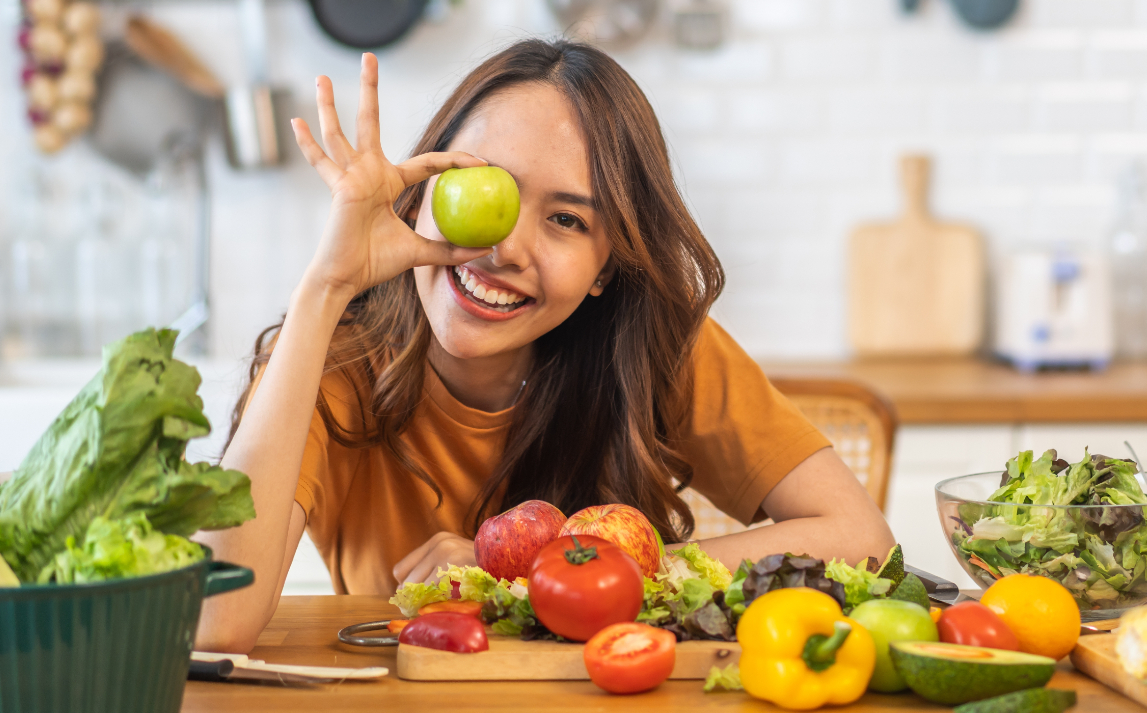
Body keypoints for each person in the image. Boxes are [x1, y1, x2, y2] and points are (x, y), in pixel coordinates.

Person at [196, 40, 894, 652]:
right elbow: (212, 622)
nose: (503, 248)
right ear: (422, 188)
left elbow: (862, 538)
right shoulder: (332, 359)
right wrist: (327, 284)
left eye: (565, 219)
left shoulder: (658, 347)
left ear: (605, 269)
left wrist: (538, 573)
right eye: (485, 186)